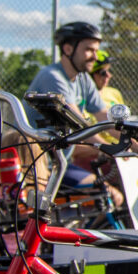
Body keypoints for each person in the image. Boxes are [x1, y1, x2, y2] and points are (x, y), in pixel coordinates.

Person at [26, 22, 112, 192]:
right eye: (89, 50)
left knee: (106, 193)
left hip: (60, 164)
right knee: (106, 192)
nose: (95, 57)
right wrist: (108, 148)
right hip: (39, 167)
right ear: (67, 49)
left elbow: (103, 115)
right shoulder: (52, 77)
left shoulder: (83, 79)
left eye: (96, 50)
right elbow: (79, 125)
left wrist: (135, 143)